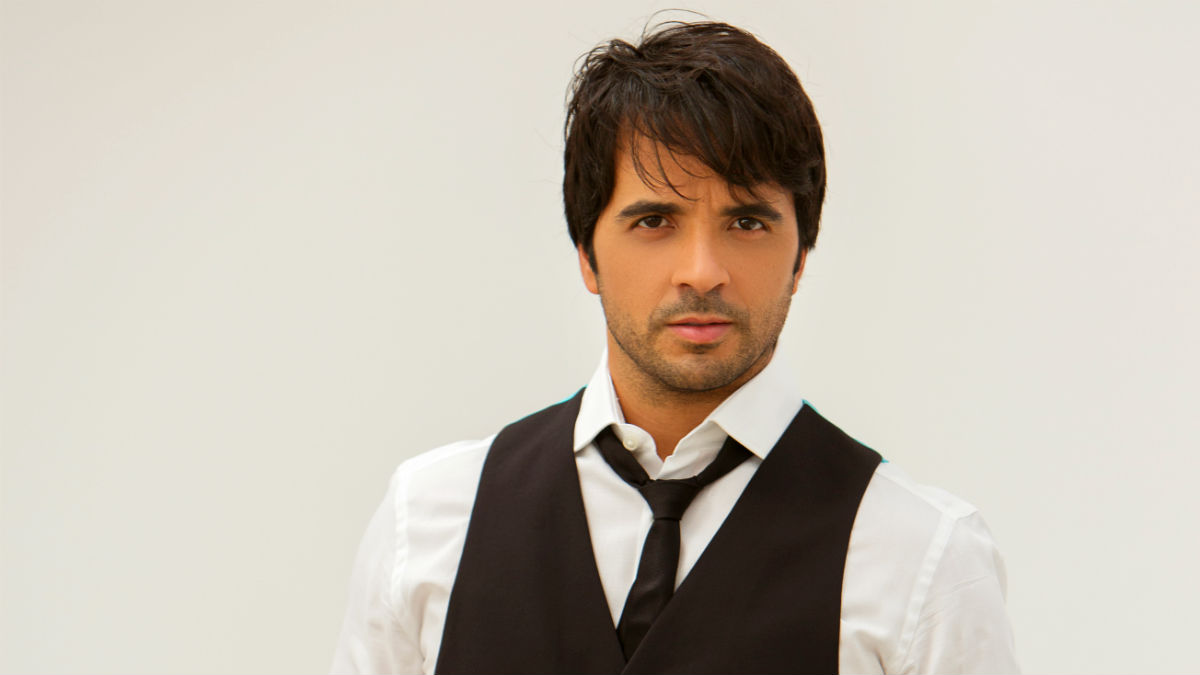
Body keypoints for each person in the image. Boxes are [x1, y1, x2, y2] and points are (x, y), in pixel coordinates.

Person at [331, 20, 1018, 674]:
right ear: (587, 255)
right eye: (655, 219)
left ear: (801, 257)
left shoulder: (924, 558)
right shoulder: (430, 520)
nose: (702, 271)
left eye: (747, 222)